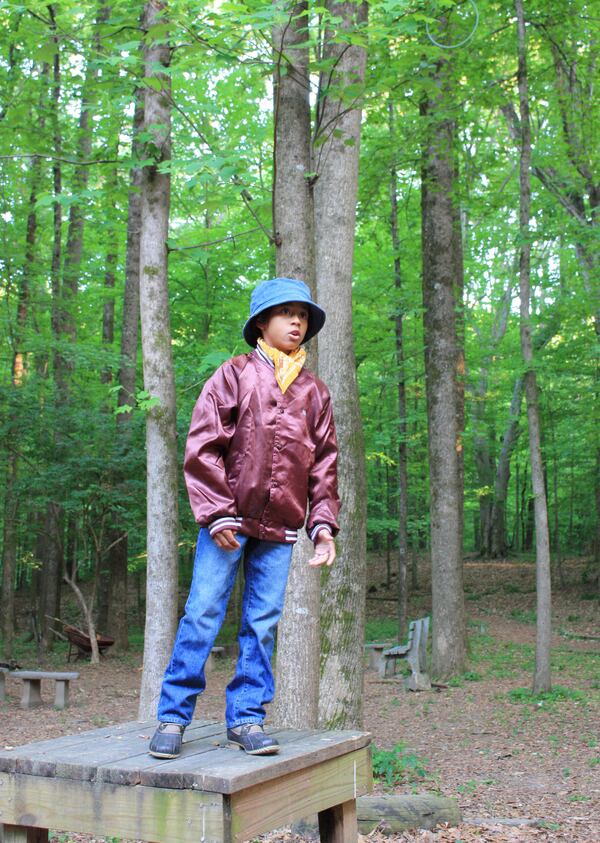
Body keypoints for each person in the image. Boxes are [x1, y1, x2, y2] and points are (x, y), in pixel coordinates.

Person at [149, 277, 340, 759]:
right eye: (285, 313)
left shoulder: (315, 393)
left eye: (302, 314)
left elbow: (323, 465)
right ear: (261, 322)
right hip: (226, 523)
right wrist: (217, 514)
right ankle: (173, 716)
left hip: (280, 528)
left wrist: (321, 527)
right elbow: (203, 448)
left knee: (262, 622)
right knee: (202, 613)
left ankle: (248, 718)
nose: (296, 322)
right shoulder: (232, 375)